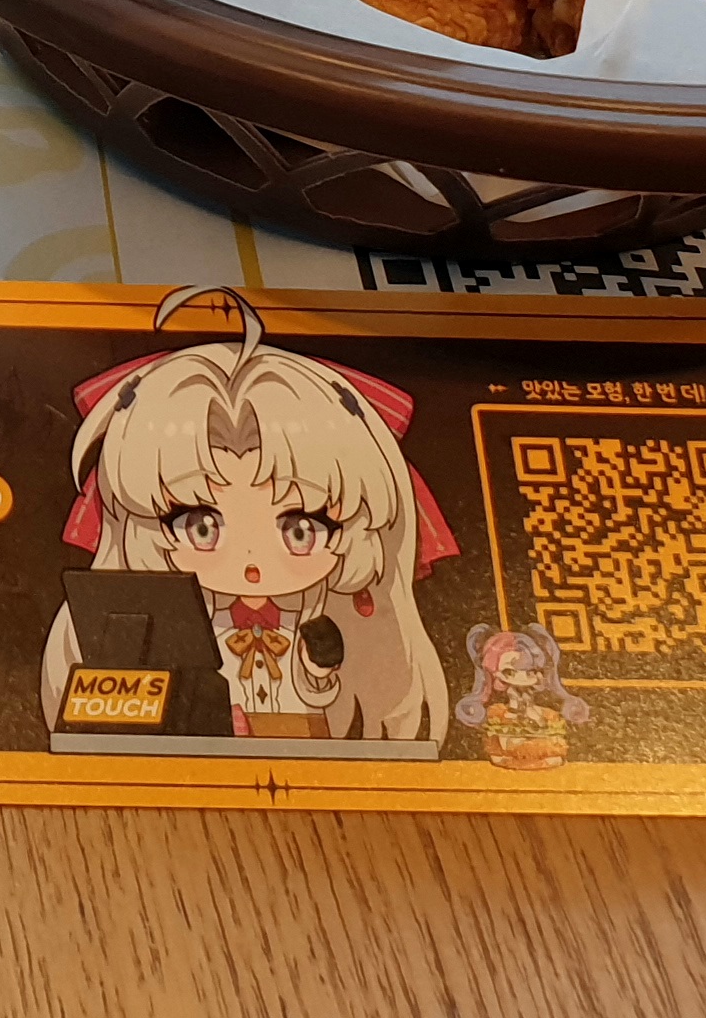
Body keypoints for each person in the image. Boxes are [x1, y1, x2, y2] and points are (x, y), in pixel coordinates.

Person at [35, 303, 457, 748]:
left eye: (300, 529)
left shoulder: (309, 612)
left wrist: (318, 670)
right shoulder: (182, 620)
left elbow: (319, 693)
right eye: (200, 526)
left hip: (298, 734)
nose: (252, 563)